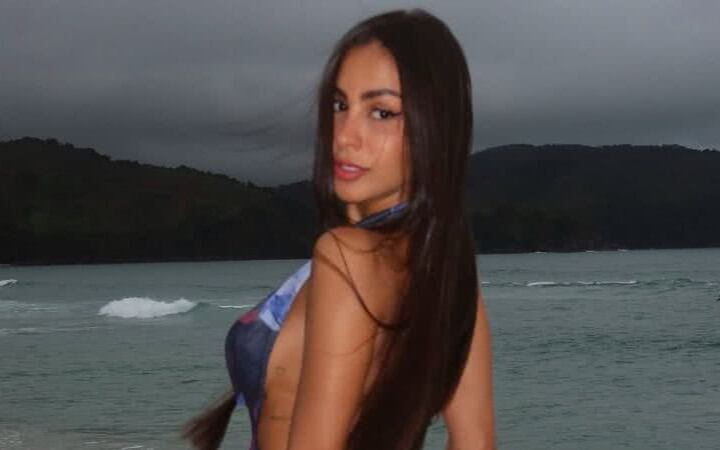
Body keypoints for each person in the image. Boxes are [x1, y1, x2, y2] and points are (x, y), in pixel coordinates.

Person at [183, 8, 495, 450]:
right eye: (339, 105)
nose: (345, 135)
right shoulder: (445, 269)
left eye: (382, 112)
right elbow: (477, 440)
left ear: (435, 125)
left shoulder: (346, 255)